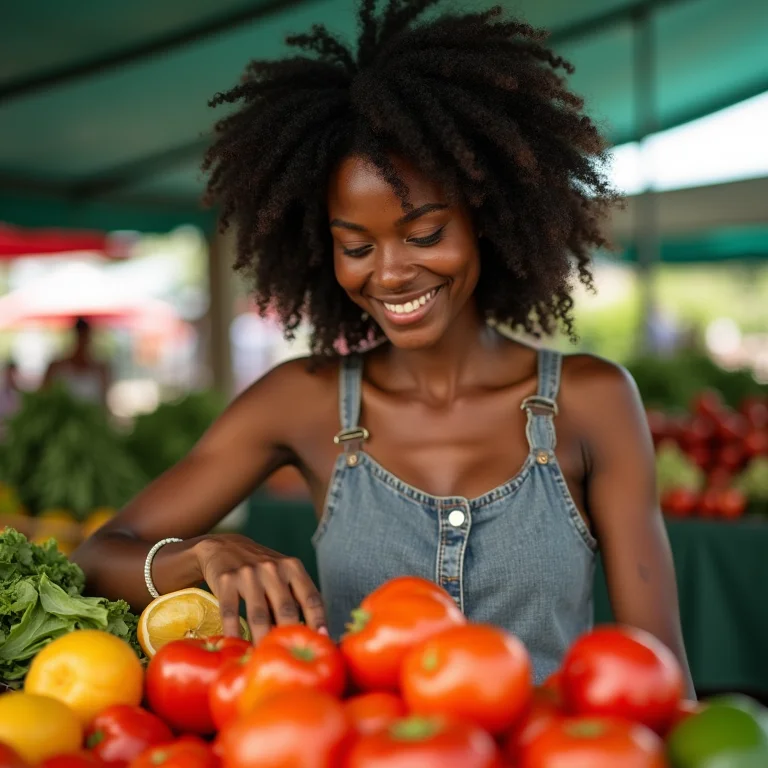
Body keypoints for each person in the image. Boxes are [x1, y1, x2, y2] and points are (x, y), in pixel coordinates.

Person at [72, 0, 693, 689]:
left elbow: (660, 678)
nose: (391, 272)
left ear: (485, 216)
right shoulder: (301, 403)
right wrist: (201, 556)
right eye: (356, 246)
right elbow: (97, 557)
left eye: (425, 234)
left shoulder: (593, 401)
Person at [42, 317, 110, 405]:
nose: (82, 342)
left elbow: (104, 403)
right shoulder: (56, 367)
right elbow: (44, 397)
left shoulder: (101, 369)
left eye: (84, 337)